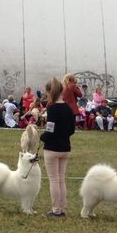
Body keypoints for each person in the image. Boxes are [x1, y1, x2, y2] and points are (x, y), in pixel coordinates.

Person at [40, 77, 75, 217]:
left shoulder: (52, 109)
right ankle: (62, 208)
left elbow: (50, 130)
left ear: (50, 92)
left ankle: (55, 209)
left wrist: (41, 137)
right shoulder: (68, 108)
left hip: (52, 149)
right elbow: (72, 130)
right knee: (61, 179)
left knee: (54, 180)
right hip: (65, 148)